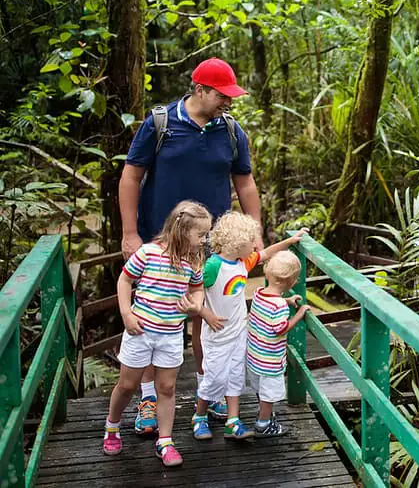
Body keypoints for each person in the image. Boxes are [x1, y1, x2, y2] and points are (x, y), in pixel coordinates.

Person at [118, 57, 262, 434]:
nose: (228, 102)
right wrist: (130, 233)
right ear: (199, 89)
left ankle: (208, 389)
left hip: (212, 245)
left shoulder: (231, 132)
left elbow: (244, 184)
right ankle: (149, 396)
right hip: (159, 241)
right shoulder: (161, 124)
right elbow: (131, 177)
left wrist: (255, 230)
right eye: (222, 95)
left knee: (207, 319)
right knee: (155, 318)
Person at [102, 201, 211, 467]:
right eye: (201, 235)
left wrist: (196, 304)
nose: (205, 240)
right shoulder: (148, 253)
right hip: (140, 331)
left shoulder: (193, 262)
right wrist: (126, 313)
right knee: (127, 385)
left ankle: (165, 441)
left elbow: (197, 289)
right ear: (182, 231)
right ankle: (112, 427)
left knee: (167, 387)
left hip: (172, 334)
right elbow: (125, 280)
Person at [192, 212, 308, 441]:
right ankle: (199, 416)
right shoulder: (214, 265)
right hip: (217, 335)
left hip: (238, 333)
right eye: (252, 241)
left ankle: (233, 422)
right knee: (214, 379)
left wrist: (290, 242)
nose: (256, 245)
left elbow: (265, 254)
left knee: (236, 377)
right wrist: (206, 314)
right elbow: (193, 290)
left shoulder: (242, 262)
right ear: (237, 243)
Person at [247, 250, 311, 437]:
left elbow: (270, 306)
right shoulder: (280, 306)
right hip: (269, 360)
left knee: (261, 390)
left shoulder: (259, 293)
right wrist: (299, 314)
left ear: (268, 273)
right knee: (269, 393)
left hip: (254, 355)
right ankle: (263, 424)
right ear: (291, 282)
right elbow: (280, 328)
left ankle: (264, 415)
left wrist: (286, 300)